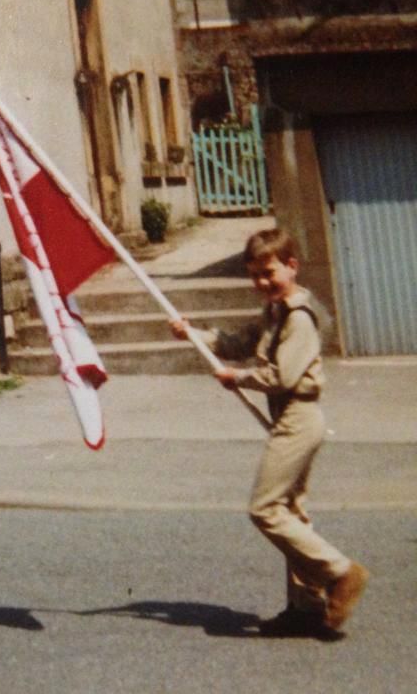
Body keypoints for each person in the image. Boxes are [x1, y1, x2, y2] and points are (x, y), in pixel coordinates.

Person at [169, 228, 368, 638]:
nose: (262, 282)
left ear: (291, 267)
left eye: (269, 272)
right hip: (288, 416)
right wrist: (193, 333)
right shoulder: (275, 313)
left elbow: (284, 374)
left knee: (265, 509)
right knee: (292, 512)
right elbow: (237, 342)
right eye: (255, 275)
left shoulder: (298, 316)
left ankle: (340, 572)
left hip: (298, 417)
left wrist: (238, 378)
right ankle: (306, 608)